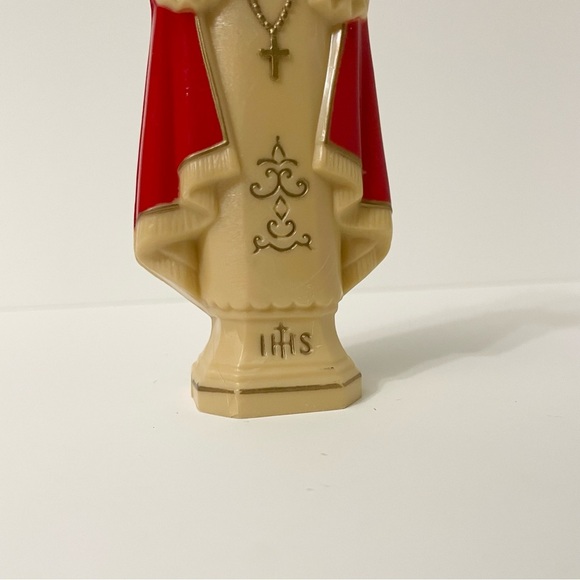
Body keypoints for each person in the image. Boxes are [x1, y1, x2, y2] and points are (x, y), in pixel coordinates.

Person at [135, 0, 393, 417]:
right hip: (226, 44)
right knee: (232, 209)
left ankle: (307, 331)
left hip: (309, 44)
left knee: (311, 186)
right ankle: (241, 331)